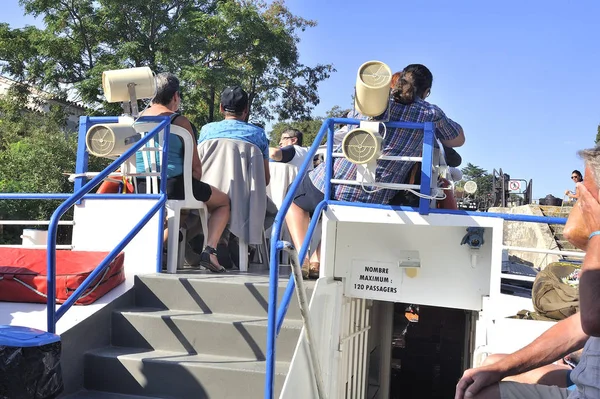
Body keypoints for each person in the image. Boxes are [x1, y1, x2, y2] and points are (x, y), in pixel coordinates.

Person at [285, 64, 465, 278]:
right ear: (426, 92)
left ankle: (303, 257)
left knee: (293, 199)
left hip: (333, 182)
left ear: (395, 80)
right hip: (376, 195)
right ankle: (317, 261)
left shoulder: (374, 102)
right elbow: (458, 139)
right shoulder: (431, 113)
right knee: (341, 214)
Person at [455, 146, 600, 399]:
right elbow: (578, 328)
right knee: (490, 365)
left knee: (477, 396)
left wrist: (598, 231)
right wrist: (501, 369)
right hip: (586, 376)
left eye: (585, 191)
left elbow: (592, 320)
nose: (580, 196)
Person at [136, 72, 230, 273]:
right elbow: (196, 168)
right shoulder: (180, 122)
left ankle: (158, 248)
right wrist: (191, 188)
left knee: (182, 210)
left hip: (142, 185)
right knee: (222, 202)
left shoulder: (136, 120)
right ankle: (210, 251)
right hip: (174, 184)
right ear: (175, 96)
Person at [198, 86, 270, 186]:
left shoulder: (206, 131)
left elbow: (196, 169)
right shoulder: (258, 134)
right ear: (246, 109)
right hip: (245, 199)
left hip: (208, 197)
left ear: (221, 108)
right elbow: (265, 179)